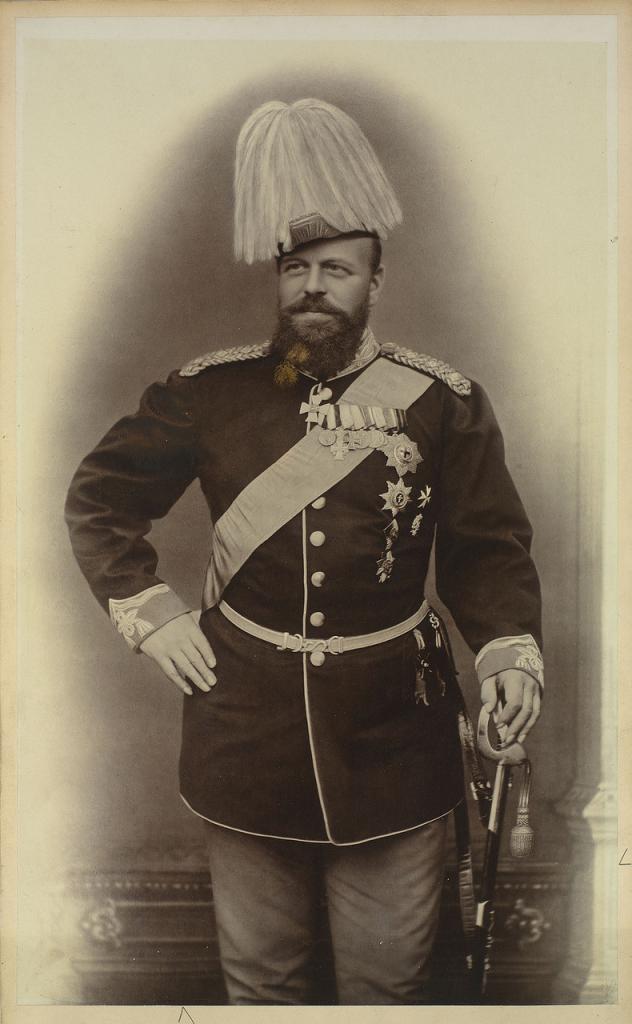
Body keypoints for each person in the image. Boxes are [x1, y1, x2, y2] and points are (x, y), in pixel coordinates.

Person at [65, 98, 543, 1005]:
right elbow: (99, 501)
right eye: (296, 269)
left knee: (386, 989)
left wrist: (509, 651)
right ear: (278, 278)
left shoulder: (444, 402)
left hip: (394, 733)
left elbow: (486, 549)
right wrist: (150, 612)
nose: (313, 287)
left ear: (376, 281)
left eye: (336, 268)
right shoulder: (210, 393)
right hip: (244, 730)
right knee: (262, 989)